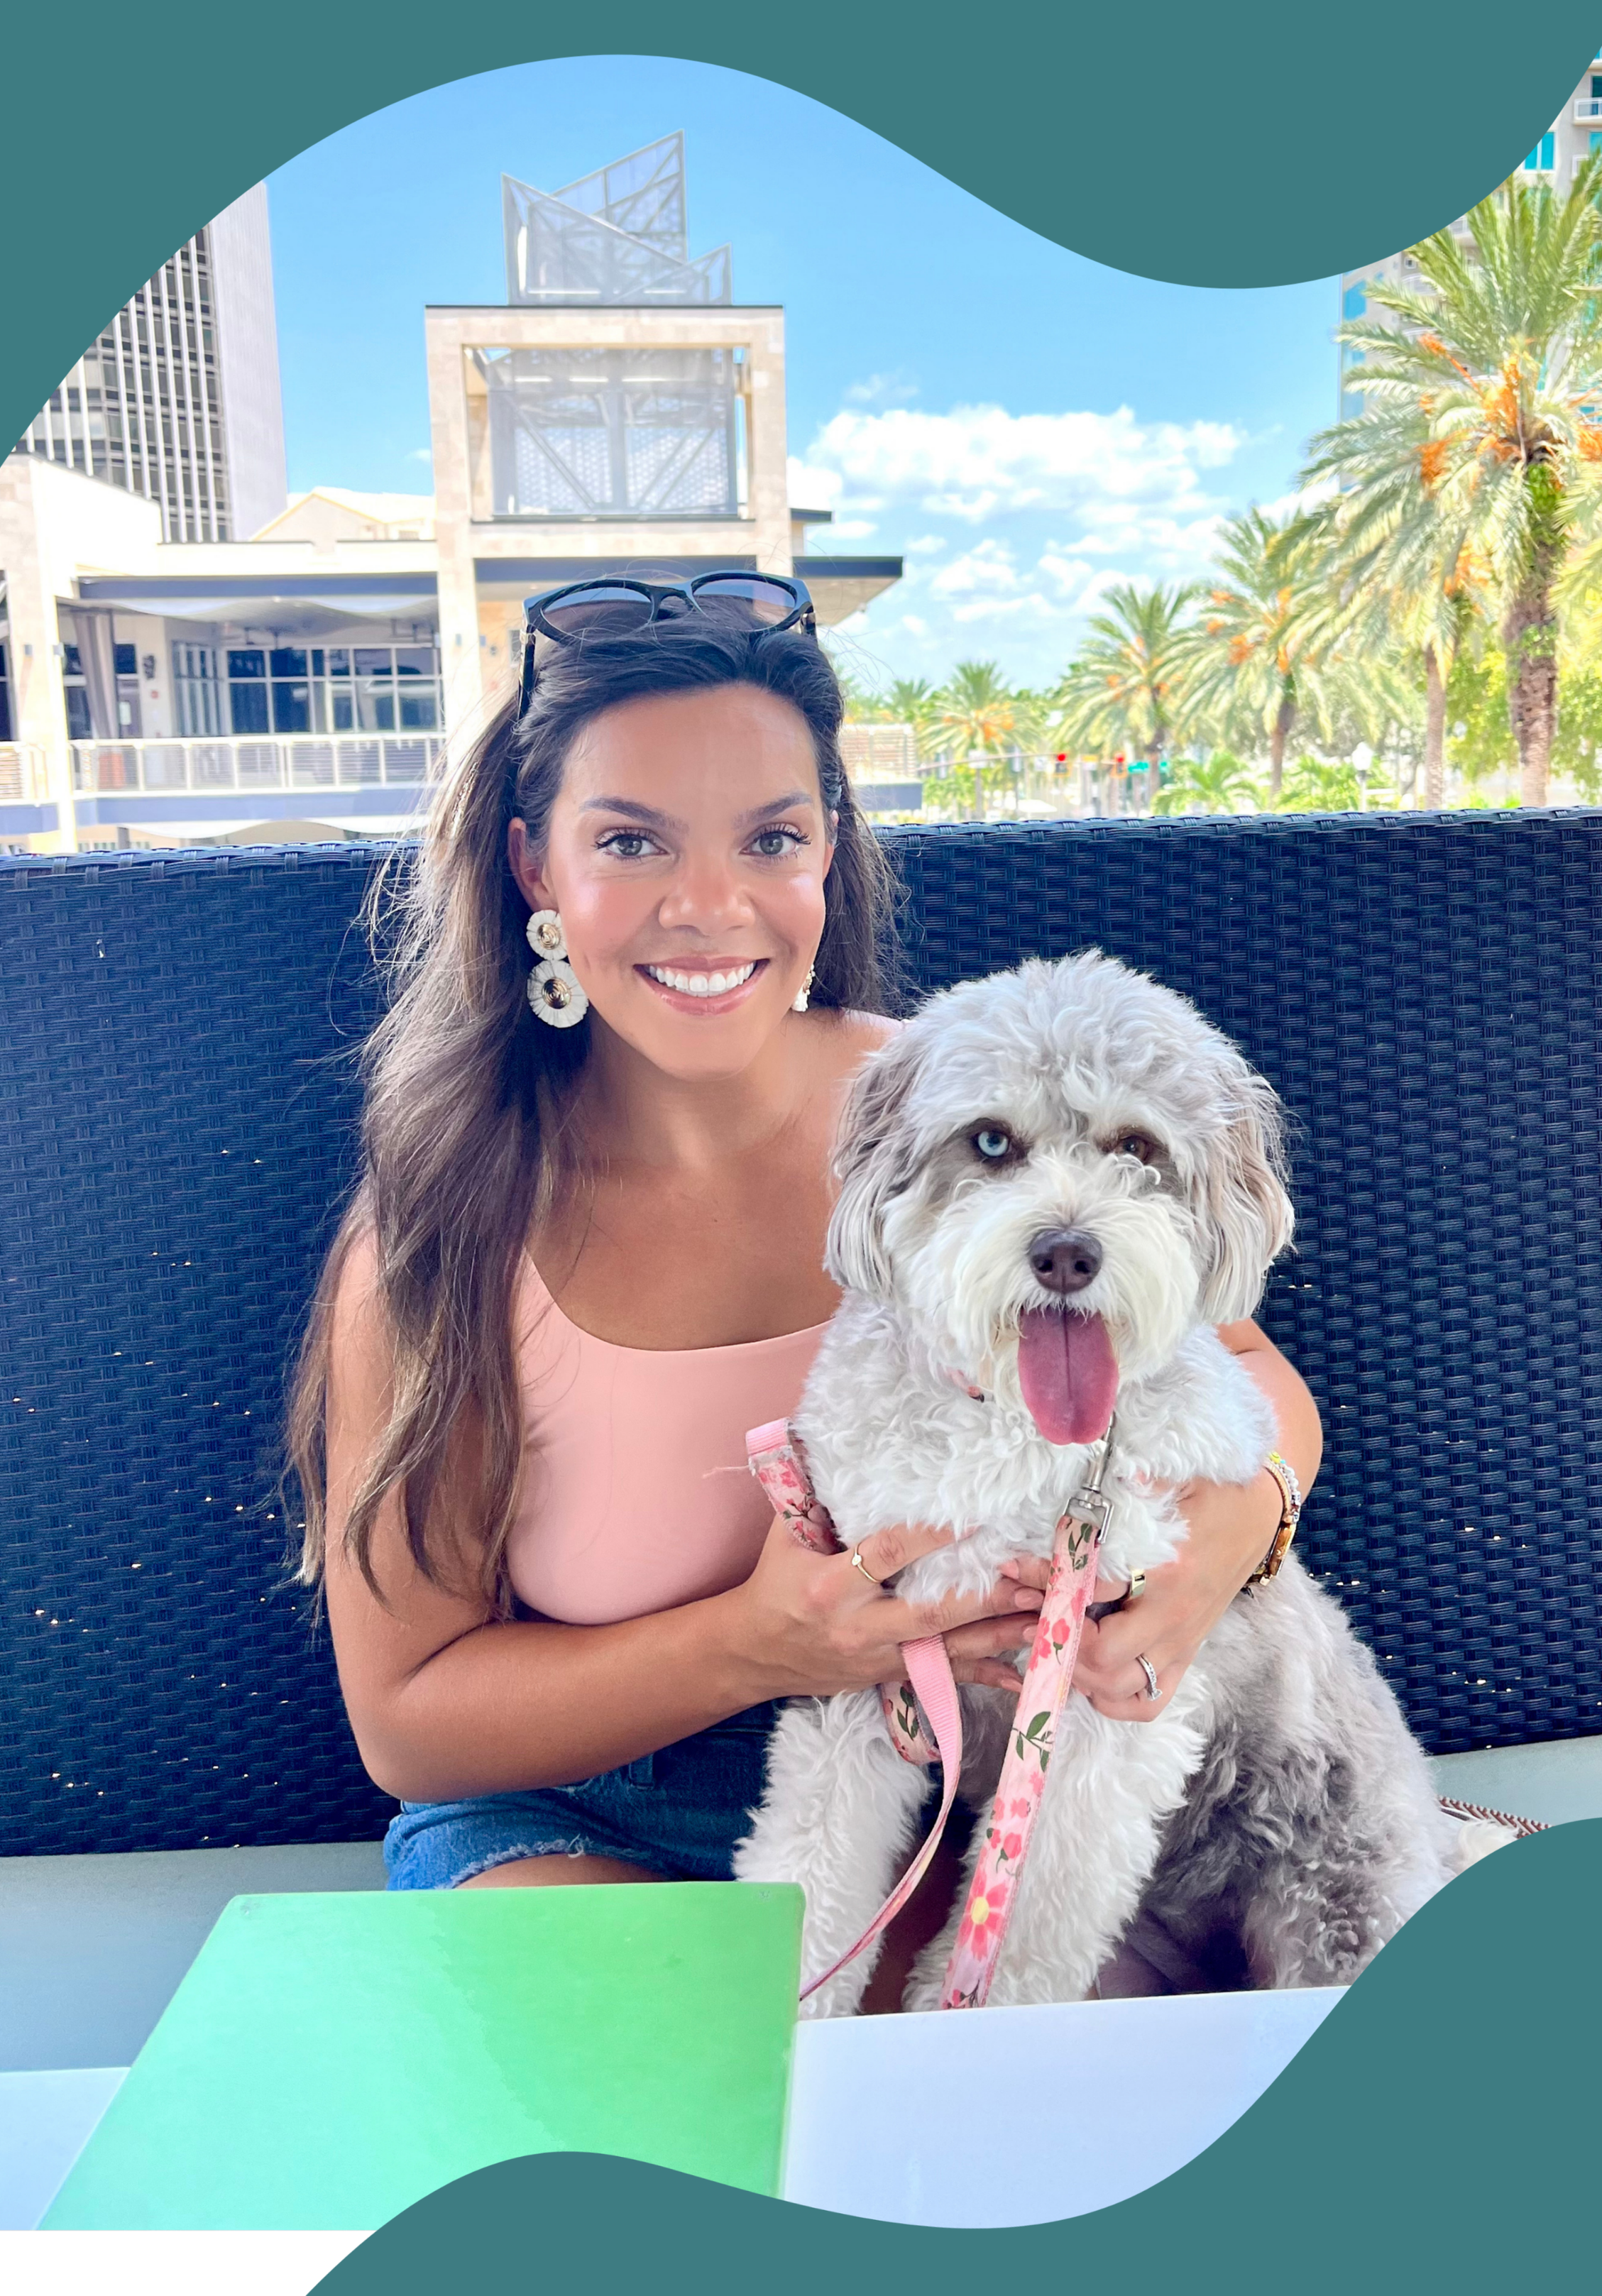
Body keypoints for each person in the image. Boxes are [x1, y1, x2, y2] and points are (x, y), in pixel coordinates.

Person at [290, 572, 1322, 2001]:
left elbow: (1244, 1372)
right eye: (631, 842)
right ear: (534, 867)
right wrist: (757, 1646)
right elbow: (409, 1722)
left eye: (769, 838)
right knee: (710, 2075)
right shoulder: (442, 1233)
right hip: (591, 1821)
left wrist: (1228, 1542)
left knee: (1030, 2069)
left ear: (827, 846)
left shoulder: (966, 1108)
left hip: (964, 1785)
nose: (708, 906)